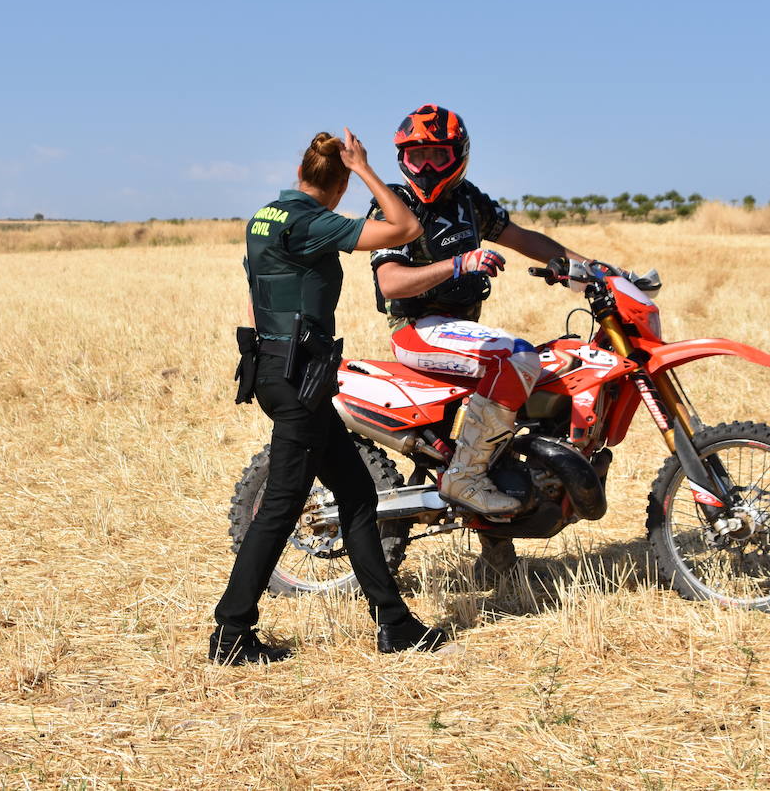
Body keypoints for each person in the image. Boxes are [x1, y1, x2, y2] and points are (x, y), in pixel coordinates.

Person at [211, 129, 450, 665]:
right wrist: (365, 168)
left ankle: (394, 623)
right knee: (280, 506)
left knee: (358, 494)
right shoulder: (312, 222)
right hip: (300, 379)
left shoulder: (265, 217)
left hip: (278, 369)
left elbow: (256, 295)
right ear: (338, 185)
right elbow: (404, 226)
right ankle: (231, 631)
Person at [367, 105, 587, 572]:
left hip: (457, 330)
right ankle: (465, 478)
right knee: (518, 360)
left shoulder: (469, 200)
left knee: (550, 373)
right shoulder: (394, 202)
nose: (425, 167)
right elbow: (389, 282)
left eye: (436, 155)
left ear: (459, 155)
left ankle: (499, 532)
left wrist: (593, 272)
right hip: (417, 330)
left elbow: (524, 238)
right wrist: (457, 265)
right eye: (417, 155)